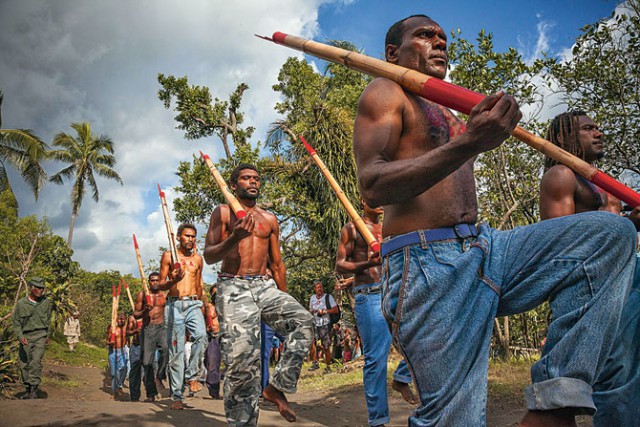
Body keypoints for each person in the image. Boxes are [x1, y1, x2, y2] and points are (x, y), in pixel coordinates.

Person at [352, 14, 637, 426]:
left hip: (487, 249)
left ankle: (555, 404)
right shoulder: (386, 92)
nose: (439, 43)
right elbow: (373, 186)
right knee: (455, 420)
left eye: (443, 37)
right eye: (425, 35)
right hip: (428, 264)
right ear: (393, 52)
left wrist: (475, 133)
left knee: (609, 234)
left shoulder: (450, 109)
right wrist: (472, 140)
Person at [540, 111, 640, 426]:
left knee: (633, 371)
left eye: (598, 127)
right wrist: (626, 223)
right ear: (561, 137)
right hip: (597, 284)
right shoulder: (561, 176)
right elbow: (563, 245)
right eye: (587, 129)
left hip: (629, 273)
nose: (598, 132)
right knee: (616, 370)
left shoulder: (604, 183)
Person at [204, 163, 314, 425]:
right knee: (242, 367)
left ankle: (276, 387)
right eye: (245, 178)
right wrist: (234, 237)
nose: (252, 182)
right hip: (233, 288)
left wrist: (285, 299)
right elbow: (209, 256)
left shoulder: (269, 219)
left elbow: (277, 264)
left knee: (303, 321)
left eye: (256, 178)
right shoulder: (222, 213)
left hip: (265, 287)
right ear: (234, 185)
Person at [335, 200, 418, 426]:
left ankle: (401, 378)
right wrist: (364, 264)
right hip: (369, 296)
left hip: (395, 292)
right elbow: (340, 265)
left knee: (422, 338)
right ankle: (378, 420)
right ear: (364, 200)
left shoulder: (391, 227)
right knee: (375, 360)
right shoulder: (352, 228)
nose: (381, 202)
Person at [152, 223, 207, 410]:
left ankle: (192, 376)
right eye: (187, 236)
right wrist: (173, 279)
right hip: (174, 304)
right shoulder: (169, 256)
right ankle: (176, 395)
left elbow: (199, 285)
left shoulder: (198, 259)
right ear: (178, 237)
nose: (191, 239)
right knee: (176, 352)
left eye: (193, 236)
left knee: (201, 336)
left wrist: (204, 307)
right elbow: (159, 286)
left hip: (193, 304)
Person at [12, 277, 53, 399]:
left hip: (40, 336)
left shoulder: (47, 303)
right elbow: (16, 322)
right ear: (31, 288)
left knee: (35, 362)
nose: (40, 290)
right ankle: (28, 389)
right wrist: (20, 336)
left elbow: (49, 320)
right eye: (38, 288)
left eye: (42, 288)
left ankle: (34, 389)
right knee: (24, 364)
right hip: (26, 337)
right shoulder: (21, 304)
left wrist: (47, 335)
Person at [133, 272, 168, 402]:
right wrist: (144, 311)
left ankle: (160, 375)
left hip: (162, 327)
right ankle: (150, 393)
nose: (154, 283)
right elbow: (136, 314)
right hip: (148, 329)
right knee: (147, 363)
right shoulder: (142, 295)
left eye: (157, 280)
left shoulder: (164, 295)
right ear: (148, 282)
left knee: (166, 349)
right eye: (152, 280)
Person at [308, 281, 339, 373]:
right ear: (315, 289)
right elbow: (310, 309)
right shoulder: (312, 298)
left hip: (325, 324)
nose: (319, 289)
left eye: (321, 287)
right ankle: (314, 362)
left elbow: (335, 310)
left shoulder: (328, 297)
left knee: (325, 346)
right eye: (317, 288)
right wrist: (310, 312)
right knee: (311, 341)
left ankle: (328, 366)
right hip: (315, 323)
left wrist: (324, 311)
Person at [204, 285, 222, 400]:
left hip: (226, 337)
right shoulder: (208, 307)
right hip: (213, 337)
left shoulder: (227, 307)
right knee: (212, 363)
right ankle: (214, 390)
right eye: (214, 293)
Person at [106, 312, 128, 400]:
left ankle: (119, 386)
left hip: (122, 351)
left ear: (125, 320)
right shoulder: (112, 328)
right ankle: (114, 391)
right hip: (113, 351)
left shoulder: (127, 328)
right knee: (113, 373)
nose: (120, 321)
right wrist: (109, 343)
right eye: (119, 319)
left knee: (123, 368)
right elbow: (107, 340)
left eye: (122, 319)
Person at [127, 314, 142, 402]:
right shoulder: (132, 318)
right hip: (136, 347)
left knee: (148, 371)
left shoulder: (149, 316)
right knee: (134, 373)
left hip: (147, 347)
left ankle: (151, 395)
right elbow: (128, 332)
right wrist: (136, 330)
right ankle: (134, 396)